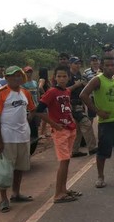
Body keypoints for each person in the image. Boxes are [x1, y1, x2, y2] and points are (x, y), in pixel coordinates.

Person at [80, 56, 114, 188]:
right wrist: (97, 111)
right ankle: (100, 177)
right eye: (107, 65)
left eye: (112, 65)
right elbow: (83, 95)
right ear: (102, 67)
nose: (110, 68)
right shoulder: (97, 80)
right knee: (103, 150)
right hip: (106, 122)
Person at [0, 66, 37, 213]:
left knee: (20, 167)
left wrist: (27, 121)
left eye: (19, 76)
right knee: (5, 169)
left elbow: (33, 109)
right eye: (12, 76)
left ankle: (16, 193)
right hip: (7, 137)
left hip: (23, 136)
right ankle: (3, 198)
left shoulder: (25, 93)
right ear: (7, 78)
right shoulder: (0, 93)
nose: (16, 78)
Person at [34, 65, 80, 203]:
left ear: (69, 77)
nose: (62, 79)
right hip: (60, 130)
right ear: (54, 78)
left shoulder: (66, 91)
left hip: (69, 128)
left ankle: (63, 189)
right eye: (59, 76)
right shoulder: (52, 92)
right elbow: (39, 110)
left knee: (66, 160)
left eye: (64, 76)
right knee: (63, 161)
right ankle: (58, 194)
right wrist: (54, 124)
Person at [68, 57, 97, 157]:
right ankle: (92, 148)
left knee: (78, 129)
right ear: (70, 64)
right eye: (76, 63)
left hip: (80, 103)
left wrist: (83, 84)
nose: (78, 65)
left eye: (79, 63)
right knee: (86, 124)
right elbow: (64, 90)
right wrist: (77, 85)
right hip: (72, 104)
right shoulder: (67, 75)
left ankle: (74, 150)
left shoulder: (79, 74)